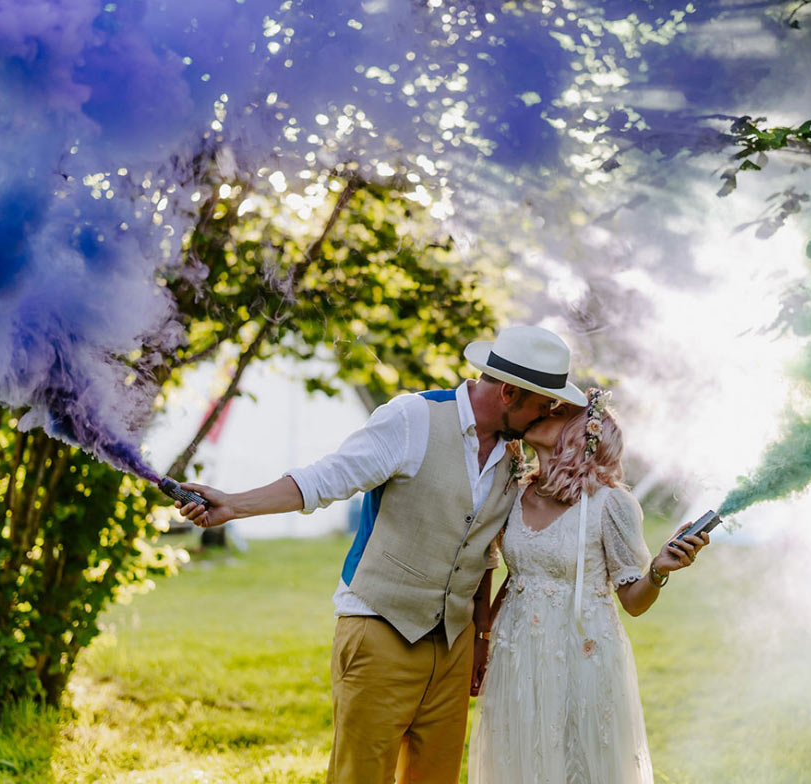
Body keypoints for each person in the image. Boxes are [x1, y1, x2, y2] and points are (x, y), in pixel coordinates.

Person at [175, 325, 587, 784]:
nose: (547, 413)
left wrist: (479, 637)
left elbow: (484, 551)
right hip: (380, 629)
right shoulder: (412, 418)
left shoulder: (513, 455)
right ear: (510, 392)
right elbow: (325, 478)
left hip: (452, 648)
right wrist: (234, 504)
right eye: (542, 403)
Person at [469, 388, 709, 784]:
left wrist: (658, 571)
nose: (547, 410)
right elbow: (518, 576)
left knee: (577, 764)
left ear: (583, 434)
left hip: (581, 654)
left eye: (560, 411)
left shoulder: (610, 504)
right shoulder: (516, 491)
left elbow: (633, 601)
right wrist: (483, 638)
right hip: (518, 653)